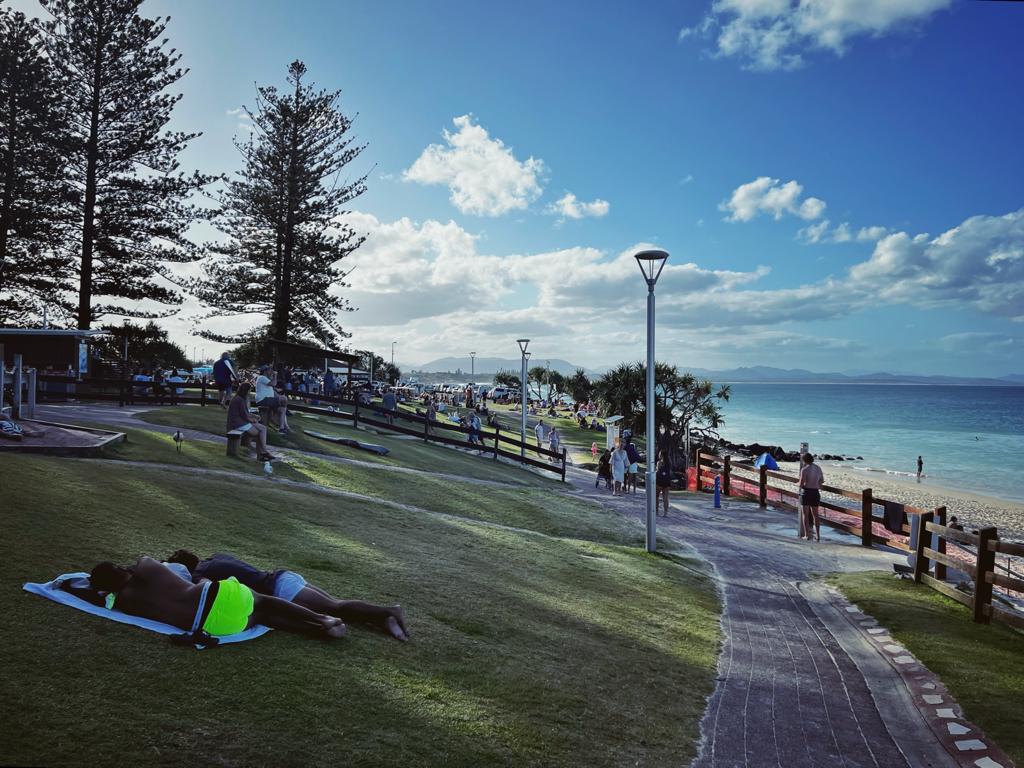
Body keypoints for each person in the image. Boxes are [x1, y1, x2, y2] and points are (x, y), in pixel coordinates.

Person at [71, 557, 347, 642]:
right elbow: (179, 571)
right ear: (121, 569)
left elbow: (87, 593)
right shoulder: (146, 566)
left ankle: (318, 632)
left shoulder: (123, 603)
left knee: (260, 616)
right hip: (211, 596)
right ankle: (322, 619)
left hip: (213, 626)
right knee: (262, 601)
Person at [166, 550, 408, 641]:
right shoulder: (215, 557)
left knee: (335, 607)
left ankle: (388, 611)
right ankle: (382, 620)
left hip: (280, 588)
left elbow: (209, 593)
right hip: (283, 578)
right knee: (334, 606)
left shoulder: (200, 573)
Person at [228, 382, 275, 462]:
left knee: (263, 428)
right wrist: (253, 420)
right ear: (246, 390)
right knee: (259, 432)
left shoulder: (239, 398)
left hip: (240, 422)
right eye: (249, 390)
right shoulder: (240, 400)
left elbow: (245, 413)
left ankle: (263, 453)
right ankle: (263, 453)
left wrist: (254, 416)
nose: (250, 392)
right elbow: (244, 416)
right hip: (238, 424)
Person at [256, 365, 290, 434]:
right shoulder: (262, 377)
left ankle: (282, 428)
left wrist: (278, 395)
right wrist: (275, 375)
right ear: (265, 371)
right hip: (264, 400)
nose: (271, 371)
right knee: (284, 399)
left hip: (268, 400)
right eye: (269, 370)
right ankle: (274, 418)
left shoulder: (266, 379)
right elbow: (274, 383)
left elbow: (273, 390)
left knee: (282, 409)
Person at [798, 453, 825, 541]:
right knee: (815, 515)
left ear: (804, 460)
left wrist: (799, 484)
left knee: (805, 514)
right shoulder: (818, 468)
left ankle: (807, 535)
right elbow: (821, 481)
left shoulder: (804, 469)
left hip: (807, 492)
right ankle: (818, 535)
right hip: (815, 492)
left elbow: (801, 483)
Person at [655, 450, 672, 516]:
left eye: (659, 454)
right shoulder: (669, 463)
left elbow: (658, 471)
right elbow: (670, 472)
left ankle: (656, 511)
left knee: (656, 496)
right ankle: (665, 512)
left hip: (659, 481)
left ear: (661, 455)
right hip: (667, 481)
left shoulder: (659, 463)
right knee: (665, 498)